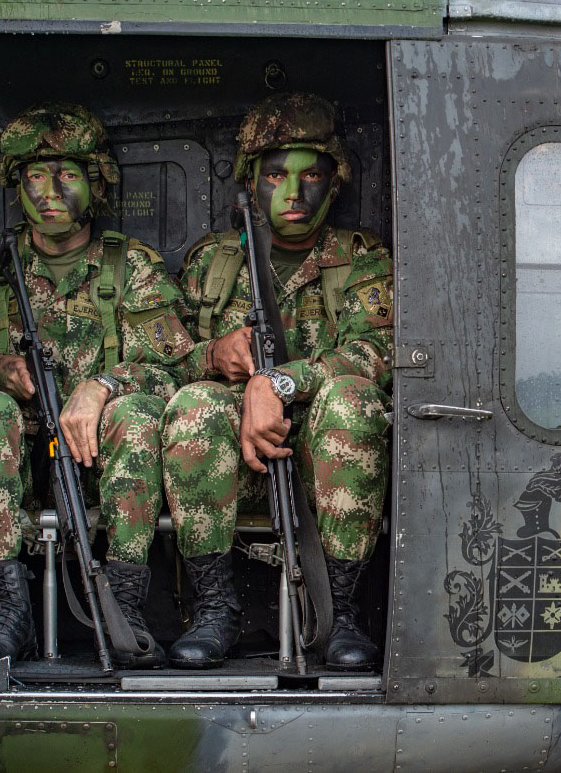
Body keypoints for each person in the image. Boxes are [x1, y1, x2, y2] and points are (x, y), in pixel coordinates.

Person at [0, 102, 194, 670]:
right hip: (11, 463)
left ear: (96, 182)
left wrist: (102, 386)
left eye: (67, 174)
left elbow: (177, 369)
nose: (49, 190)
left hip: (101, 465)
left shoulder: (128, 266)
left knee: (136, 412)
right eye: (35, 176)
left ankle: (126, 604)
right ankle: (7, 608)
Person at [162, 92, 392, 670]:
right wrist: (214, 356)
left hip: (325, 458)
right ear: (250, 183)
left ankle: (340, 612)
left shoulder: (362, 260)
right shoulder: (214, 262)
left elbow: (378, 351)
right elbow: (164, 362)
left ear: (334, 182)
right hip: (234, 462)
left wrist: (280, 384)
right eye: (275, 175)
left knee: (353, 401)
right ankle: (215, 608)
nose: (293, 193)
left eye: (310, 174)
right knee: (191, 405)